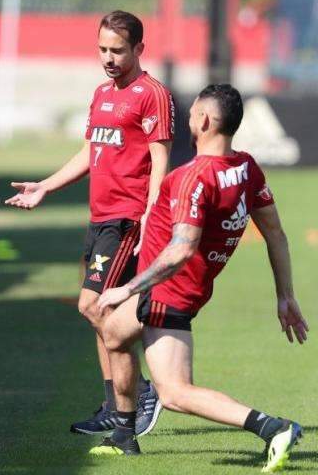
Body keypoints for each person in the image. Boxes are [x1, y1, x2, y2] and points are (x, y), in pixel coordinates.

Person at [92, 84, 308, 473]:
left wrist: (126, 287)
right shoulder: (246, 167)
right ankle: (124, 436)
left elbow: (181, 249)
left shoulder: (194, 176)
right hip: (181, 287)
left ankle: (272, 427)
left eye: (192, 112)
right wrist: (285, 295)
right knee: (113, 332)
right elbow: (276, 234)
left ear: (204, 121)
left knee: (174, 392)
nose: (189, 118)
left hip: (166, 291)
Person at [5, 10, 174, 437]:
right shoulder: (101, 93)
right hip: (99, 219)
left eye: (118, 50)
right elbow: (89, 151)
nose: (108, 58)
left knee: (92, 305)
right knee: (104, 311)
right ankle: (114, 407)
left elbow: (160, 162)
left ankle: (140, 393)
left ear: (139, 49)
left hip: (126, 221)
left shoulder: (151, 94)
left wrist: (152, 215)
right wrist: (45, 186)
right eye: (102, 49)